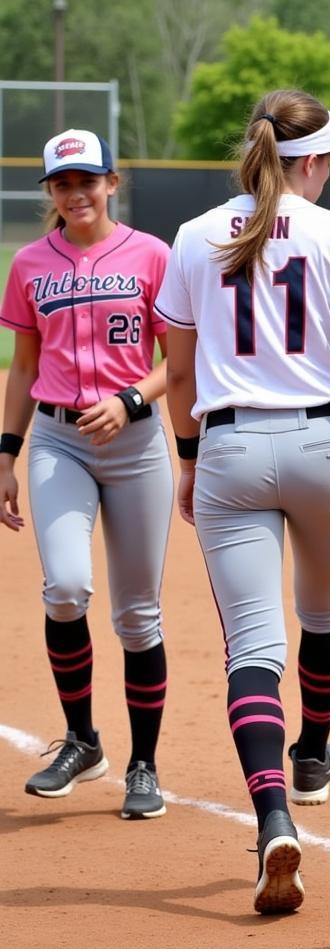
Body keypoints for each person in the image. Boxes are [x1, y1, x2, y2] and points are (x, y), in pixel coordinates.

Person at [157, 90, 330, 914]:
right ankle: (312, 753)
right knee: (326, 613)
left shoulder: (194, 234)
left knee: (251, 649)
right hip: (325, 448)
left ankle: (273, 815)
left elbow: (180, 365)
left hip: (232, 444)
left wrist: (192, 459)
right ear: (311, 162)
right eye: (325, 168)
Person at [0, 129, 174, 820]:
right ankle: (82, 739)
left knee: (137, 614)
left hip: (135, 445)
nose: (77, 193)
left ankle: (143, 764)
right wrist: (5, 453)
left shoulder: (151, 255)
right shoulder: (30, 263)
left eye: (88, 180)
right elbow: (22, 364)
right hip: (56, 442)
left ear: (112, 183)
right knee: (67, 588)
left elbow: (177, 360)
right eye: (64, 183)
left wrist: (133, 398)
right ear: (50, 191)